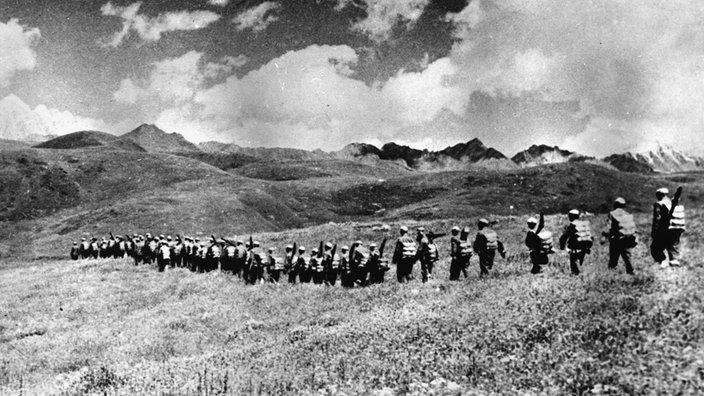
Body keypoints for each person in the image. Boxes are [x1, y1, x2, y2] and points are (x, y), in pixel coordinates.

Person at [651, 187, 685, 267]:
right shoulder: (673, 203)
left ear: (659, 195)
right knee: (673, 245)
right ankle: (674, 261)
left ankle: (662, 261)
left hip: (665, 229)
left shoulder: (659, 203)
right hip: (677, 227)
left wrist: (654, 231)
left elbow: (657, 219)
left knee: (655, 247)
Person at [603, 197, 636, 274]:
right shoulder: (628, 214)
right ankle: (631, 272)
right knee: (627, 257)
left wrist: (604, 236)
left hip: (616, 239)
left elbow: (608, 226)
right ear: (624, 205)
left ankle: (612, 274)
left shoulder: (612, 214)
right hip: (627, 238)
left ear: (615, 205)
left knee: (613, 258)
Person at [559, 209, 593, 275]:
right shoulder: (583, 224)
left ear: (570, 217)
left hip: (575, 249)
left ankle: (576, 275)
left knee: (574, 265)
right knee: (581, 264)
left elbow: (564, 237)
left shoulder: (572, 226)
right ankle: (583, 275)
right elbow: (590, 236)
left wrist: (562, 247)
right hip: (584, 248)